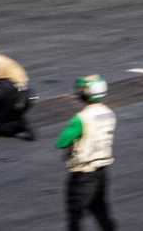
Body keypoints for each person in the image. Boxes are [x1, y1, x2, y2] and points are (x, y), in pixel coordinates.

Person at [58, 74, 116, 230]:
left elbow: (62, 141)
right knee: (100, 209)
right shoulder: (109, 113)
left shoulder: (82, 118)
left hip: (83, 173)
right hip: (101, 171)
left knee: (75, 214)